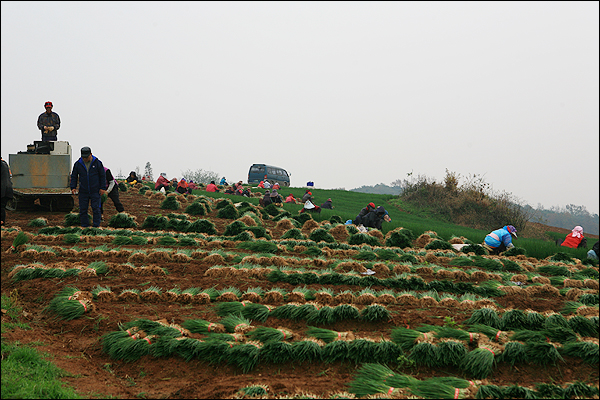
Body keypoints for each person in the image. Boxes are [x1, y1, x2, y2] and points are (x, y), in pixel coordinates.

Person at [70, 146, 106, 227]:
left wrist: (102, 188)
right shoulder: (78, 164)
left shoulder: (97, 163)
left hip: (95, 190)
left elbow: (102, 176)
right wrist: (73, 187)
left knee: (96, 208)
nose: (85, 159)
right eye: (84, 157)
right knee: (83, 209)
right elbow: (74, 176)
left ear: (91, 154)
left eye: (86, 157)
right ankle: (85, 226)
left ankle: (96, 226)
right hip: (83, 191)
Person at [1, 156, 14, 226]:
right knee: (2, 207)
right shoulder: (5, 164)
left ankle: (2, 223)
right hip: (8, 189)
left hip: (2, 190)